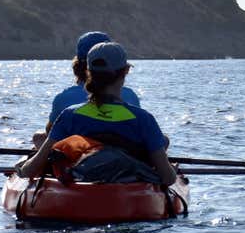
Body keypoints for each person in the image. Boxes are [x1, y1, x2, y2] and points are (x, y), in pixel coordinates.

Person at [20, 42, 177, 185]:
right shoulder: (143, 119)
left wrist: (21, 169)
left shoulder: (69, 115)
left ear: (88, 72)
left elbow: (31, 170)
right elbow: (168, 179)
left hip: (80, 190)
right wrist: (173, 171)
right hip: (127, 195)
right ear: (126, 71)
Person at [32, 31, 141, 148]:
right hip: (123, 154)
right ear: (123, 70)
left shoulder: (64, 101)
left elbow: (51, 132)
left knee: (38, 137)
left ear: (80, 66)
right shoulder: (131, 97)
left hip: (79, 154)